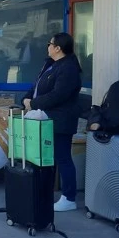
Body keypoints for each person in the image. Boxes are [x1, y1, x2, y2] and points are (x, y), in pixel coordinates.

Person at [22, 32, 82, 212]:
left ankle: (69, 197)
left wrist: (33, 103)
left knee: (63, 157)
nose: (47, 47)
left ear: (58, 48)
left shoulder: (69, 68)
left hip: (61, 119)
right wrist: (26, 99)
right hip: (45, 118)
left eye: (50, 44)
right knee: (50, 157)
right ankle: (45, 190)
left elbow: (58, 95)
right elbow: (36, 86)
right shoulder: (50, 64)